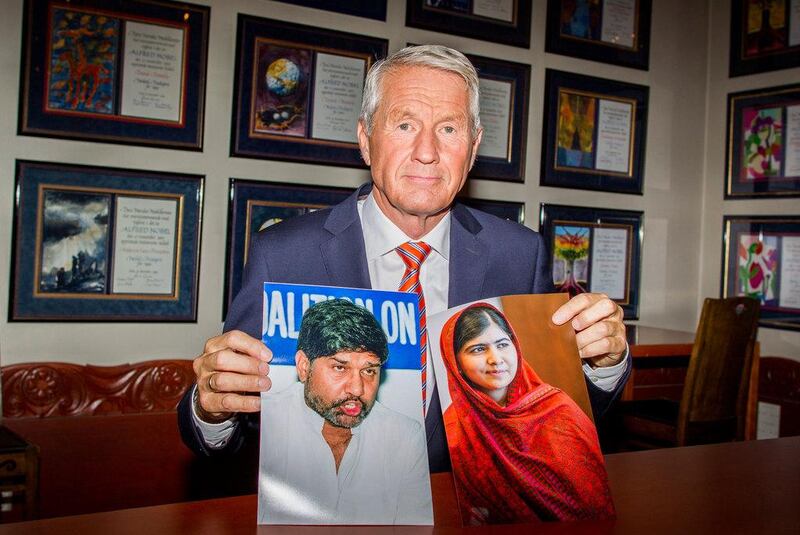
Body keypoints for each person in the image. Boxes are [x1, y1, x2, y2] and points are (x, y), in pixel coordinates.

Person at [178, 45, 630, 474]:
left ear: (473, 148)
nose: (427, 152)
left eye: (449, 129)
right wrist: (210, 407)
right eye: (404, 124)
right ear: (365, 139)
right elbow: (234, 425)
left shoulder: (519, 254)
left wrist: (603, 366)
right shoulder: (284, 254)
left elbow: (551, 412)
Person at [439, 303, 615, 525]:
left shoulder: (558, 411)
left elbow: (593, 506)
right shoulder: (455, 427)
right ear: (456, 364)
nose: (495, 359)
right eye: (478, 349)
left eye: (502, 344)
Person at [259, 299, 431, 524]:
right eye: (340, 368)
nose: (357, 389)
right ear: (303, 366)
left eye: (369, 371)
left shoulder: (405, 436)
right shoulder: (267, 422)